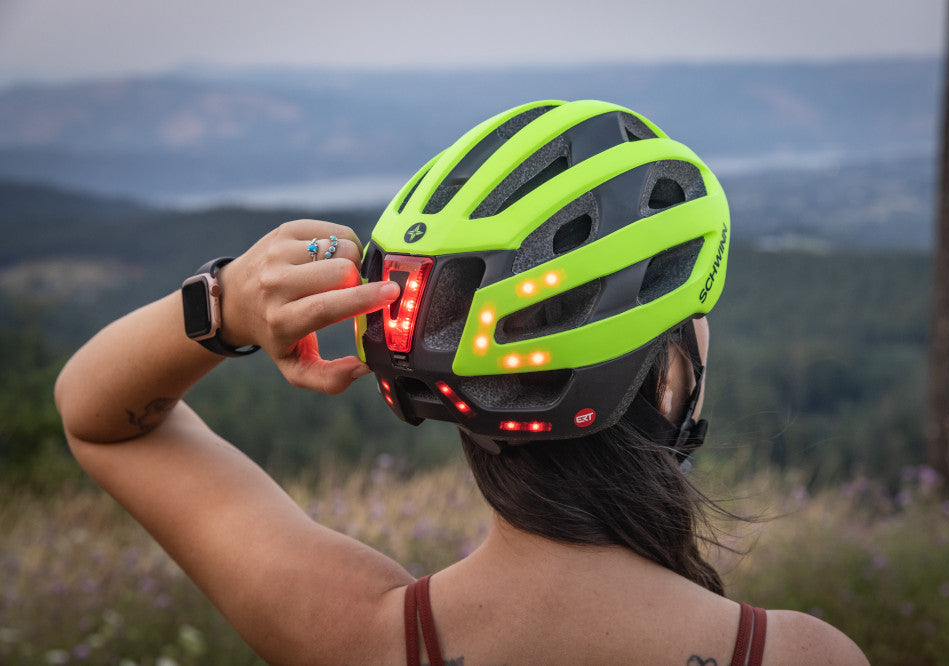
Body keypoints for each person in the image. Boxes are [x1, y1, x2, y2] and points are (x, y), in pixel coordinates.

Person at [55, 99, 868, 665]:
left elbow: (101, 419)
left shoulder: (354, 637)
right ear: (665, 386)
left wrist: (224, 305)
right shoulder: (802, 656)